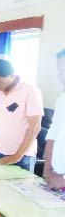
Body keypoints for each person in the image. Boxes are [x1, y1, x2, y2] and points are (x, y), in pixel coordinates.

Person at [0, 59, 43, 172]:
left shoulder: (30, 91)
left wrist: (17, 156)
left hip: (22, 157)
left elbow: (35, 126)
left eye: (0, 82)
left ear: (11, 75)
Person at [44, 49, 65, 189]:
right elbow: (52, 135)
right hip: (56, 176)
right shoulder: (62, 99)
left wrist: (64, 179)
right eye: (59, 71)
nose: (60, 77)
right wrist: (47, 168)